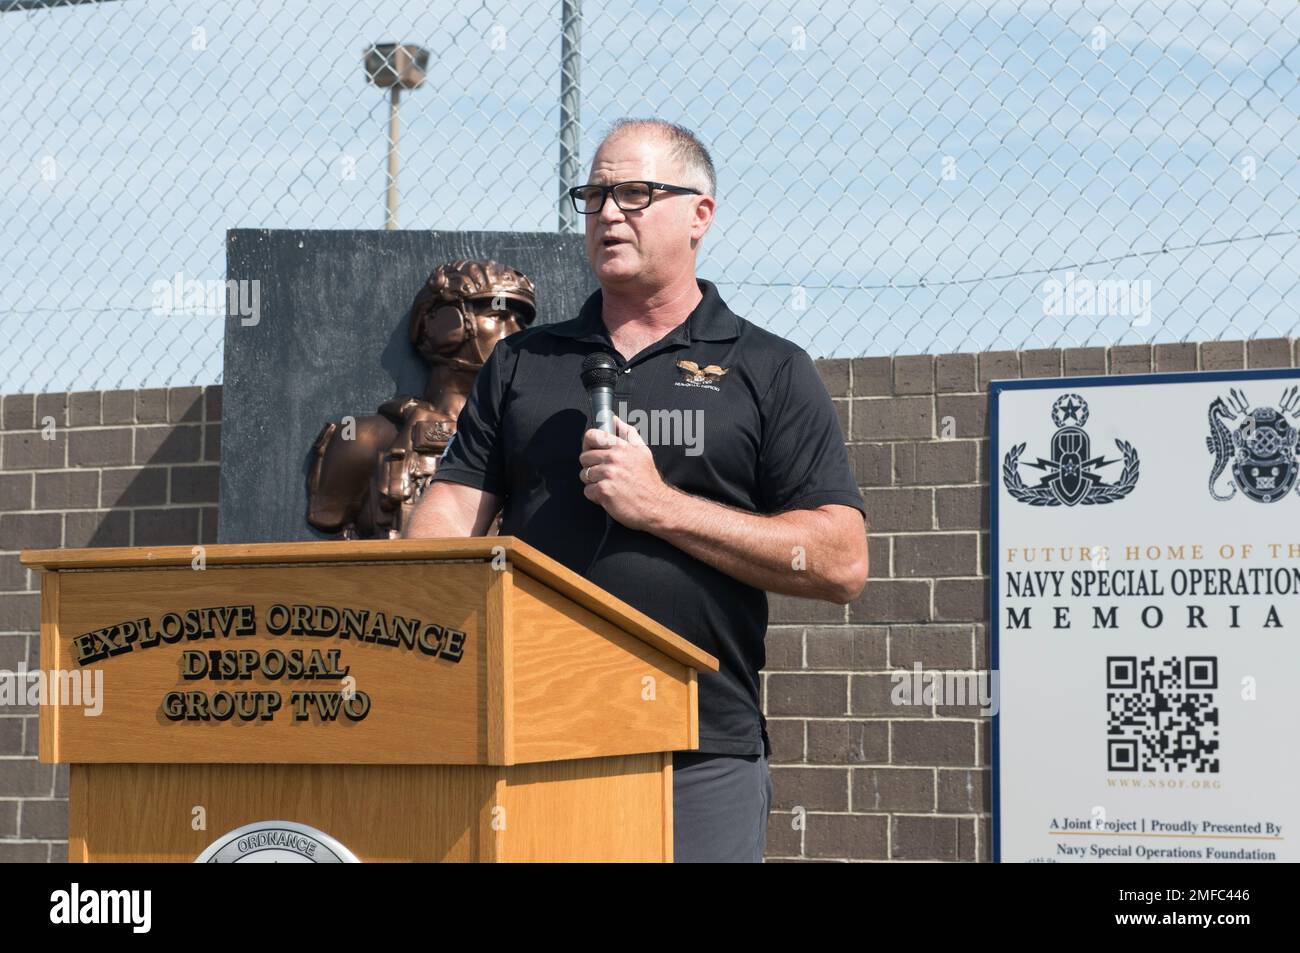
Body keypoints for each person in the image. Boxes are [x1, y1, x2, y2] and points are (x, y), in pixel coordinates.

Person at [402, 118, 869, 862]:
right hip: (535, 737)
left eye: (635, 193)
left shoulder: (769, 368)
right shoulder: (525, 362)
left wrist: (661, 508)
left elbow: (841, 560)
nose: (607, 213)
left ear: (700, 215)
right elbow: (450, 516)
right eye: (594, 195)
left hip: (699, 745)